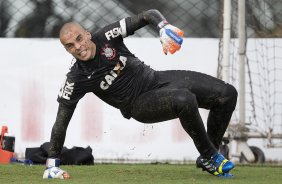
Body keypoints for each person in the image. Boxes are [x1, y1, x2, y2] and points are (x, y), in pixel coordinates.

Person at [43, 9, 238, 179]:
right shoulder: (76, 78)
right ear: (66, 50)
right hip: (138, 104)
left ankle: (209, 155)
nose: (77, 47)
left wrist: (163, 27)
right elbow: (61, 122)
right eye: (70, 46)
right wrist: (52, 164)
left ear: (87, 35)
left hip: (156, 80)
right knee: (184, 99)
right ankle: (210, 155)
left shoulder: (107, 35)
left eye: (79, 39)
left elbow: (147, 15)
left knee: (227, 94)